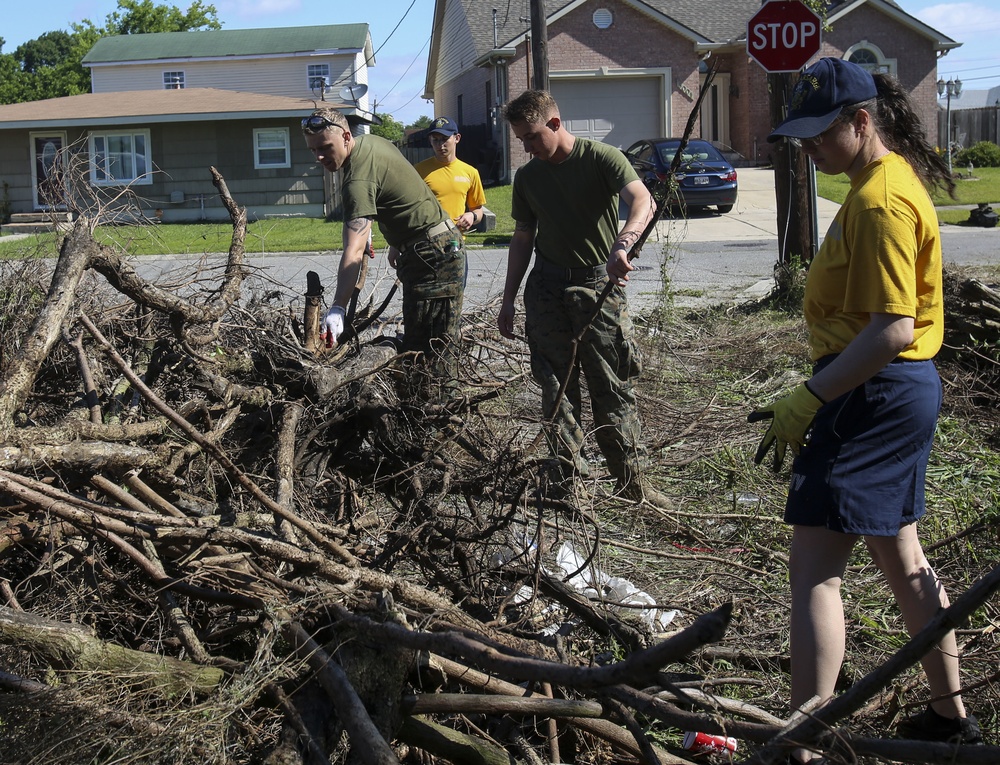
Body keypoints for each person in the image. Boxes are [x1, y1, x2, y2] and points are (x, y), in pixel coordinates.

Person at [749, 57, 981, 760]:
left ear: (861, 120)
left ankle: (804, 738)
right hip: (891, 391)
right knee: (901, 554)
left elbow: (892, 327)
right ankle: (949, 715)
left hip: (871, 394)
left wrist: (811, 395)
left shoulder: (881, 201)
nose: (810, 146)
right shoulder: (880, 181)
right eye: (802, 135)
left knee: (814, 566)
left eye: (821, 132)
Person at [497, 90, 666, 505]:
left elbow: (643, 200)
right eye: (521, 140)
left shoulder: (602, 158)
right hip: (547, 289)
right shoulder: (529, 177)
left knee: (611, 385)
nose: (527, 147)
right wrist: (508, 299)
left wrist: (623, 245)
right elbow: (523, 237)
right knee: (556, 388)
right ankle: (567, 485)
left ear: (555, 124)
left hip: (597, 287)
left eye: (532, 137)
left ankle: (632, 484)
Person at [301, 108, 466, 397]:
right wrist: (392, 238)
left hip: (432, 256)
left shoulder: (356, 180)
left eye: (326, 147)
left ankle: (438, 426)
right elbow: (399, 191)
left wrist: (338, 307)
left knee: (431, 354)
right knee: (428, 343)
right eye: (313, 150)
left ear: (346, 136)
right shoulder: (371, 143)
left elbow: (352, 252)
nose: (320, 157)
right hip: (433, 247)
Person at [387, 116, 486, 272]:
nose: (440, 145)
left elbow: (478, 210)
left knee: (456, 296)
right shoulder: (419, 171)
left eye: (445, 139)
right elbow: (405, 209)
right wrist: (394, 246)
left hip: (454, 246)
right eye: (435, 140)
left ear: (457, 138)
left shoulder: (470, 173)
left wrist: (471, 217)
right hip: (423, 245)